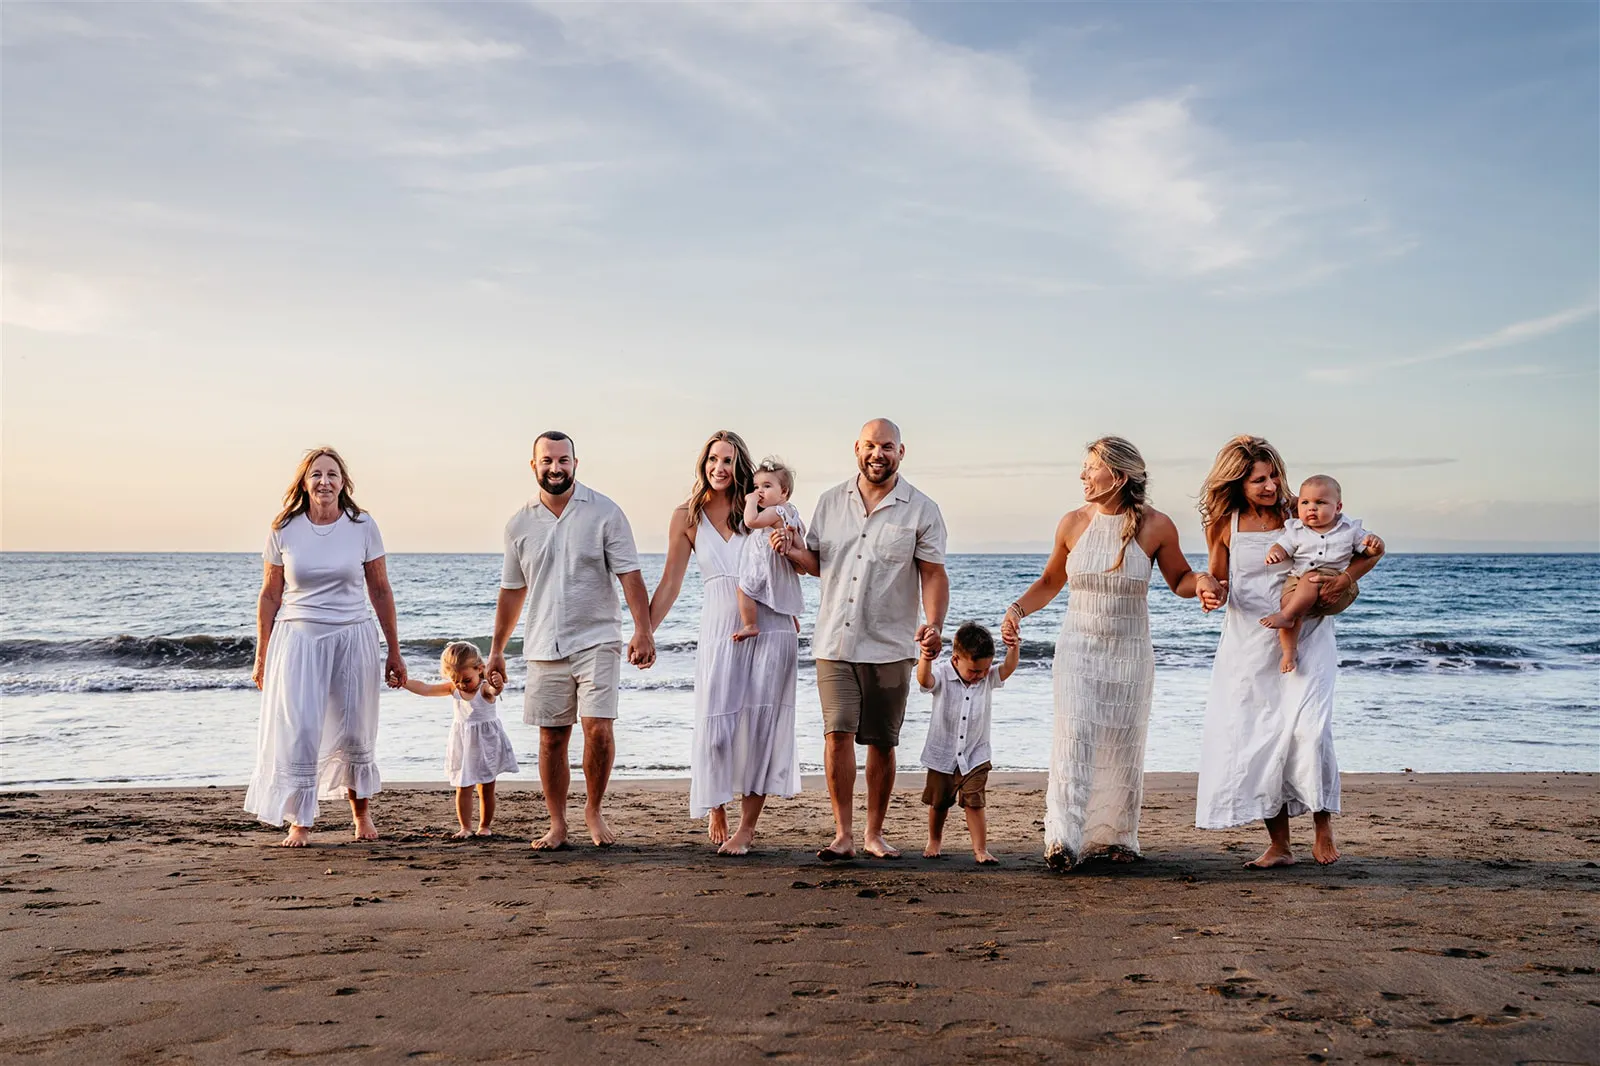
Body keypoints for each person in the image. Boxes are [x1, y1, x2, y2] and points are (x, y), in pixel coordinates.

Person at [1001, 437, 1223, 872]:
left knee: (1122, 745)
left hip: (1129, 654)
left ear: (1118, 476)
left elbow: (1179, 578)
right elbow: (1050, 581)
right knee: (1074, 739)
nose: (1083, 475)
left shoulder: (1156, 526)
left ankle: (1115, 837)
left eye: (1092, 467)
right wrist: (1016, 610)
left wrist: (1200, 582)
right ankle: (1063, 840)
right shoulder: (1072, 523)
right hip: (1077, 651)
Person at [1194, 436, 1384, 867]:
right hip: (1247, 641)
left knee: (1310, 730)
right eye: (1257, 480)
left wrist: (1346, 579)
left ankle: (1322, 826)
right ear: (1236, 484)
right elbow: (1221, 580)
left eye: (1273, 475)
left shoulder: (1301, 510)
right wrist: (1209, 589)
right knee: (1261, 739)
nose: (1270, 485)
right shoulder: (1224, 523)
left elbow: (1364, 551)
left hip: (1308, 634)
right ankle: (1279, 845)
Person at [773, 418, 948, 861]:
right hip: (834, 640)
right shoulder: (830, 502)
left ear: (901, 452)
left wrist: (934, 624)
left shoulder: (922, 510)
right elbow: (819, 563)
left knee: (882, 742)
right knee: (837, 734)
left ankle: (874, 833)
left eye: (887, 446)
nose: (877, 454)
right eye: (870, 446)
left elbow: (933, 573)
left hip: (890, 645)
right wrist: (792, 552)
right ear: (857, 448)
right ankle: (843, 834)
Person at [487, 431, 656, 850]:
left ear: (575, 464)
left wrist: (643, 630)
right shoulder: (519, 524)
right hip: (544, 643)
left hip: (598, 638)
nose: (555, 468)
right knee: (552, 738)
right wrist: (496, 651)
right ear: (534, 466)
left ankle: (593, 810)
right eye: (547, 460)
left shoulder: (605, 512)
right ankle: (557, 823)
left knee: (598, 729)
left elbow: (630, 575)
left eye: (563, 460)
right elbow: (512, 591)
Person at [245, 447, 406, 847]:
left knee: (354, 728)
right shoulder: (284, 527)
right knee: (301, 730)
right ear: (304, 482)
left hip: (353, 636)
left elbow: (380, 590)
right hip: (298, 640)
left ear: (343, 482)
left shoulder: (362, 525)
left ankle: (361, 814)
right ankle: (300, 820)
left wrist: (394, 650)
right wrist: (261, 654)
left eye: (332, 474)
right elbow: (270, 594)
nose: (324, 481)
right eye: (316, 474)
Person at [649, 433, 801, 855]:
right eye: (713, 459)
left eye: (729, 461)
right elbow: (670, 583)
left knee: (761, 725)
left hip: (769, 624)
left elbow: (789, 562)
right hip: (720, 625)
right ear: (703, 464)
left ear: (741, 466)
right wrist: (646, 631)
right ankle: (716, 803)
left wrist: (788, 601)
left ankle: (747, 829)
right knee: (716, 725)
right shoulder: (687, 516)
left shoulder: (760, 508)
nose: (720, 468)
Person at [917, 620, 1019, 865]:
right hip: (942, 753)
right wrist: (925, 658)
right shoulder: (943, 673)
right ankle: (934, 840)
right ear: (956, 659)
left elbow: (1008, 667)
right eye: (974, 671)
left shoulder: (987, 677)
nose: (980, 675)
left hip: (976, 754)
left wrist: (1014, 647)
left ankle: (980, 849)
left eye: (984, 669)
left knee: (975, 802)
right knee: (939, 802)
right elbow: (924, 680)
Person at [401, 641, 519, 838]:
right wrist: (404, 682)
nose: (461, 685)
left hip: (486, 743)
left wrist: (497, 684)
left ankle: (485, 826)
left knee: (486, 787)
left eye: (466, 680)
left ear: (480, 669)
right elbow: (426, 689)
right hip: (463, 744)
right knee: (463, 786)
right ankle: (465, 827)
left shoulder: (483, 689)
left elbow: (494, 691)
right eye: (456, 680)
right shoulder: (453, 689)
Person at [1260, 475, 1375, 673]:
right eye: (1305, 503)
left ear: (1338, 507)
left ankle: (1286, 616)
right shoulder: (1296, 529)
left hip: (1331, 577)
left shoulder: (1349, 529)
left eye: (1320, 503)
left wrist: (1373, 545)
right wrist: (1276, 552)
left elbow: (1369, 551)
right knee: (1288, 602)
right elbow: (1283, 545)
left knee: (1308, 581)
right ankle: (1289, 651)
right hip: (1297, 579)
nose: (1311, 508)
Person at [732, 457, 804, 644]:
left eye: (766, 486)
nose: (759, 491)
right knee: (780, 590)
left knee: (744, 589)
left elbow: (751, 521)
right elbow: (801, 537)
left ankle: (750, 625)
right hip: (783, 566)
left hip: (765, 564)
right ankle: (792, 619)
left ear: (784, 491)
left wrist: (750, 501)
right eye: (756, 487)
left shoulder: (774, 511)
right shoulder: (793, 513)